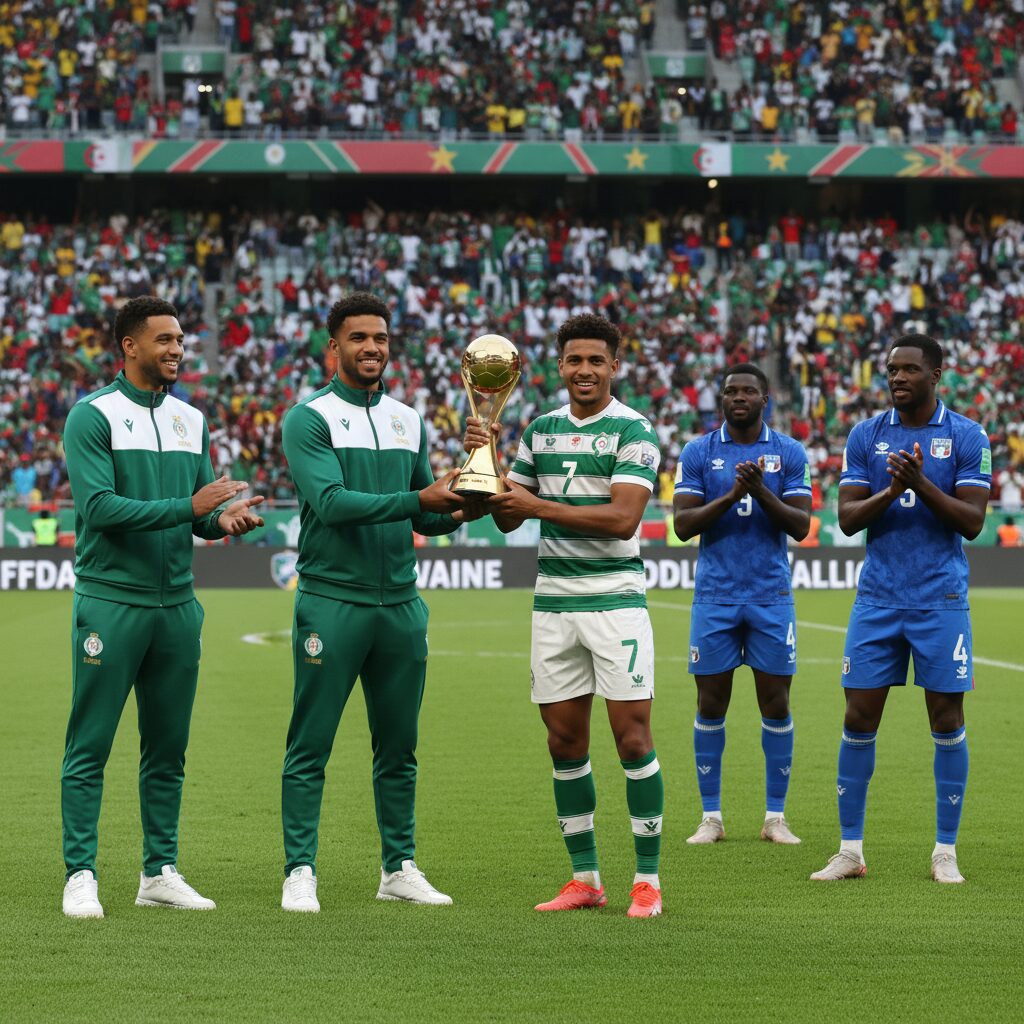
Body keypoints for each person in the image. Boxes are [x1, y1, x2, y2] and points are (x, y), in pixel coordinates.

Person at [60, 296, 265, 919]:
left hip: (177, 604)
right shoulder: (92, 415)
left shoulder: (190, 420)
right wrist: (190, 507)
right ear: (129, 346)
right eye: (165, 340)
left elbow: (199, 513)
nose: (178, 349)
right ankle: (81, 874)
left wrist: (221, 521)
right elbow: (99, 509)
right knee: (90, 745)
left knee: (168, 749)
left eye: (180, 339)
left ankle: (158, 872)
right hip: (110, 601)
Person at [279, 291, 478, 913]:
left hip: (401, 604)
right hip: (332, 601)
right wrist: (422, 500)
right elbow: (332, 504)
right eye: (359, 338)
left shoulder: (406, 419)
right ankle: (300, 870)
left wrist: (471, 492)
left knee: (399, 748)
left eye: (381, 338)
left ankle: (398, 867)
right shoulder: (308, 418)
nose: (372, 348)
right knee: (310, 745)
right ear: (333, 347)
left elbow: (427, 513)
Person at [466, 313, 666, 918]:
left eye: (596, 360)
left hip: (615, 604)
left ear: (614, 366)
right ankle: (585, 879)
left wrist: (536, 505)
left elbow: (622, 520)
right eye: (574, 360)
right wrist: (485, 461)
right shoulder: (540, 432)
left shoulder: (634, 429)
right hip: (554, 605)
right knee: (564, 742)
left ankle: (647, 881)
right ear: (559, 366)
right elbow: (507, 516)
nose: (585, 370)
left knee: (633, 739)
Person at [811, 334, 991, 884]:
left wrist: (919, 484)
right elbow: (847, 519)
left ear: (936, 374)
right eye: (892, 369)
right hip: (878, 599)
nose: (897, 378)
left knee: (947, 719)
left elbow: (972, 521)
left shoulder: (967, 435)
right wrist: (892, 492)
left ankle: (945, 851)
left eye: (910, 369)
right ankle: (850, 850)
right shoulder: (866, 435)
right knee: (857, 716)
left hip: (941, 599)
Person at [672, 365, 811, 847]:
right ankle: (711, 817)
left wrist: (760, 492)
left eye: (748, 390)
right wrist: (734, 493)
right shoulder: (699, 451)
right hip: (715, 597)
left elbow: (800, 526)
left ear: (765, 398)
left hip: (771, 596)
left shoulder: (789, 452)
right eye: (730, 391)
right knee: (711, 703)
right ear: (722, 399)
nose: (738, 397)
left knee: (776, 703)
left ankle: (776, 817)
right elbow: (683, 526)